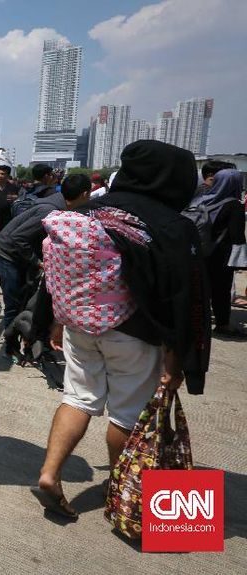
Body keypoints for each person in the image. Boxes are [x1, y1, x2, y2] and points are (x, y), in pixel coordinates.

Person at [32, 140, 211, 520]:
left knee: (77, 397)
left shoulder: (87, 211)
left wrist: (55, 323)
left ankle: (49, 473)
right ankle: (121, 489)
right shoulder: (170, 225)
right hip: (135, 334)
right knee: (128, 413)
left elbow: (56, 276)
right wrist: (179, 358)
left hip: (78, 325)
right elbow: (183, 299)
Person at [0, 174, 90, 362]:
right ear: (85, 194)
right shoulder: (49, 211)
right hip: (6, 255)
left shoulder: (60, 207)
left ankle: (29, 346)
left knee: (26, 304)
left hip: (20, 256)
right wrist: (37, 262)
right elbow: (18, 238)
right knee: (14, 305)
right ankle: (10, 349)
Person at [190, 168, 246, 338]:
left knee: (200, 287)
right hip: (221, 254)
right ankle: (223, 325)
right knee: (221, 290)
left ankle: (197, 322)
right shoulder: (234, 204)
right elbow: (237, 235)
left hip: (199, 251)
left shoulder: (201, 198)